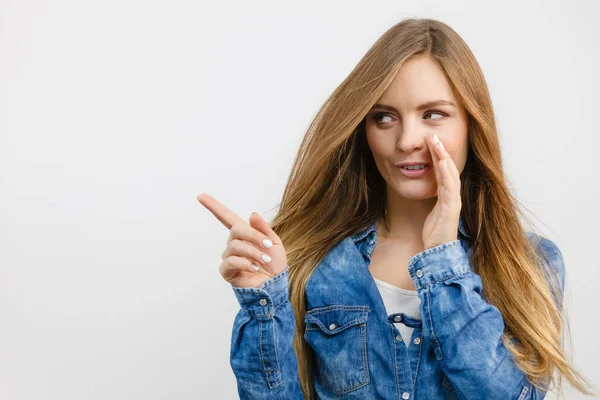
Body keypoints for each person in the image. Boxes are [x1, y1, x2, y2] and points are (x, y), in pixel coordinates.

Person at [198, 18, 596, 399]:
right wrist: (264, 304)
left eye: (433, 114)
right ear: (364, 131)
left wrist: (441, 259)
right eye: (384, 117)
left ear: (472, 124)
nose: (407, 140)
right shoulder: (315, 263)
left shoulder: (531, 263)